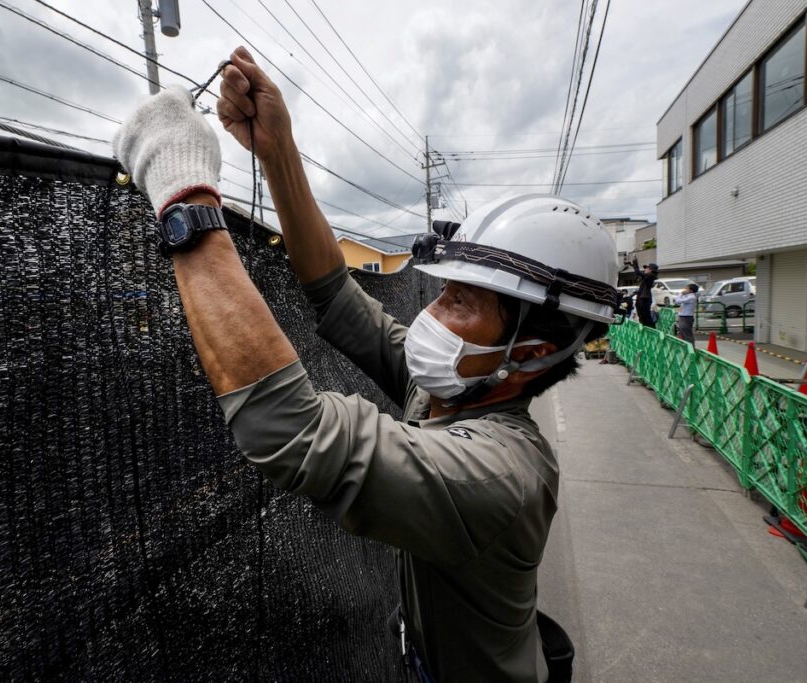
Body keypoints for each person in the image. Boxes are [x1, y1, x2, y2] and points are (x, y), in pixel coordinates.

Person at [113, 46, 619, 683]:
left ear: (532, 353)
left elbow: (291, 431)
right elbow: (335, 293)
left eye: (461, 301)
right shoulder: (454, 388)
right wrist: (277, 151)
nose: (433, 313)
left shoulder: (500, 472)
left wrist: (182, 192)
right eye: (443, 289)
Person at [631, 259, 658, 328]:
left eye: (647, 268)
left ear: (651, 270)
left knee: (645, 316)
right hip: (641, 297)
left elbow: (638, 272)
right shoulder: (647, 276)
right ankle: (645, 327)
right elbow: (639, 274)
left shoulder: (651, 276)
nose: (645, 269)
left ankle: (651, 329)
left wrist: (635, 264)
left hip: (645, 298)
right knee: (641, 315)